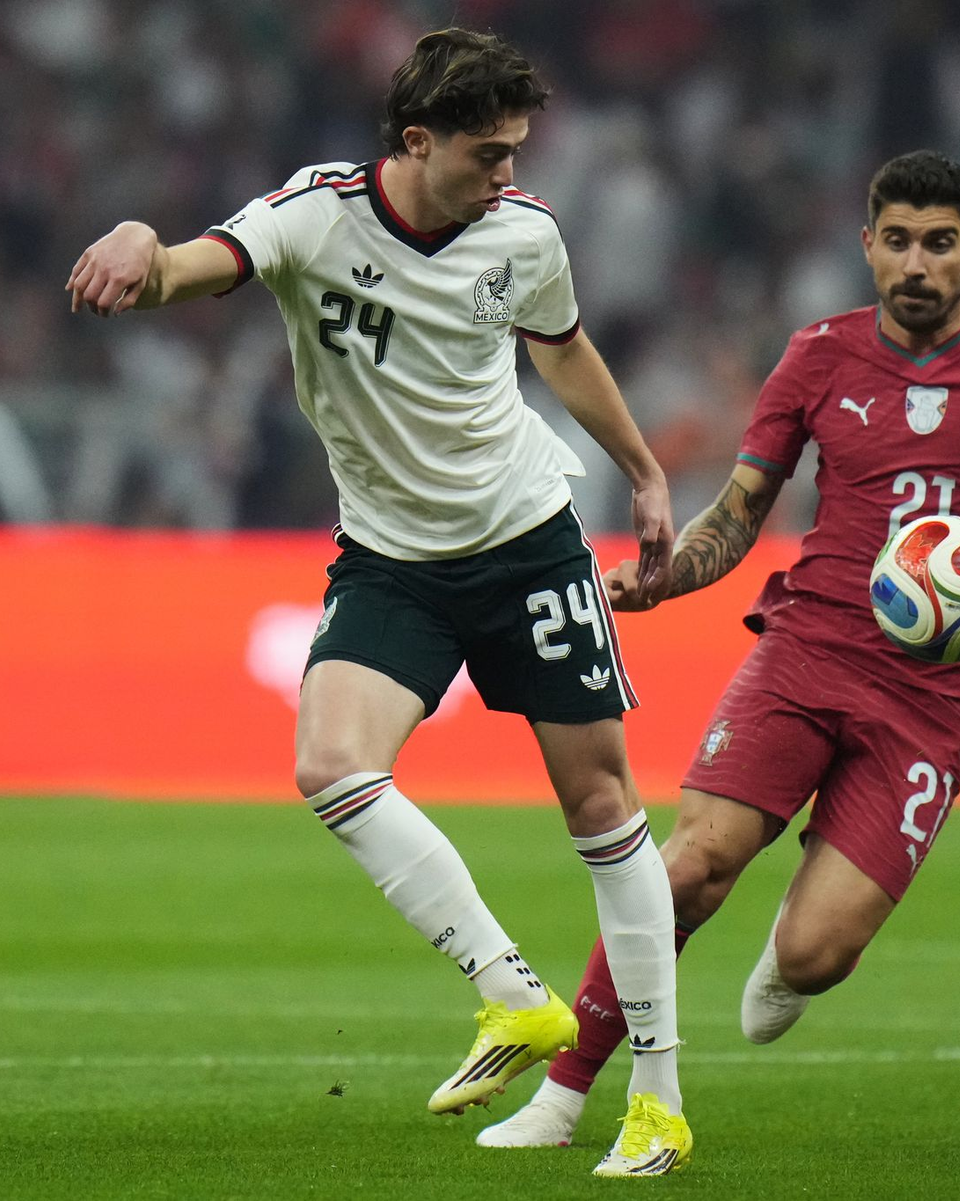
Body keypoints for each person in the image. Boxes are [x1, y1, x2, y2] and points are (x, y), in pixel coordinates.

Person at [66, 28, 692, 1179]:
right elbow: (185, 268)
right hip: (392, 557)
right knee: (330, 766)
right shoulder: (317, 216)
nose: (507, 177)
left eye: (515, 153)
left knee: (602, 801)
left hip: (525, 542)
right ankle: (512, 993)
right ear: (416, 141)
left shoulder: (526, 236)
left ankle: (657, 1091)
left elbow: (561, 352)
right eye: (486, 155)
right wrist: (134, 239)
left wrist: (645, 468)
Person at [475, 148, 960, 1149]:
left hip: (936, 702)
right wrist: (670, 573)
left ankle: (793, 959)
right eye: (896, 242)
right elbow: (743, 509)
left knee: (817, 952)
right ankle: (566, 1090)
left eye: (938, 244)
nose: (916, 264)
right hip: (809, 650)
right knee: (694, 863)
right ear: (867, 247)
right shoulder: (820, 357)